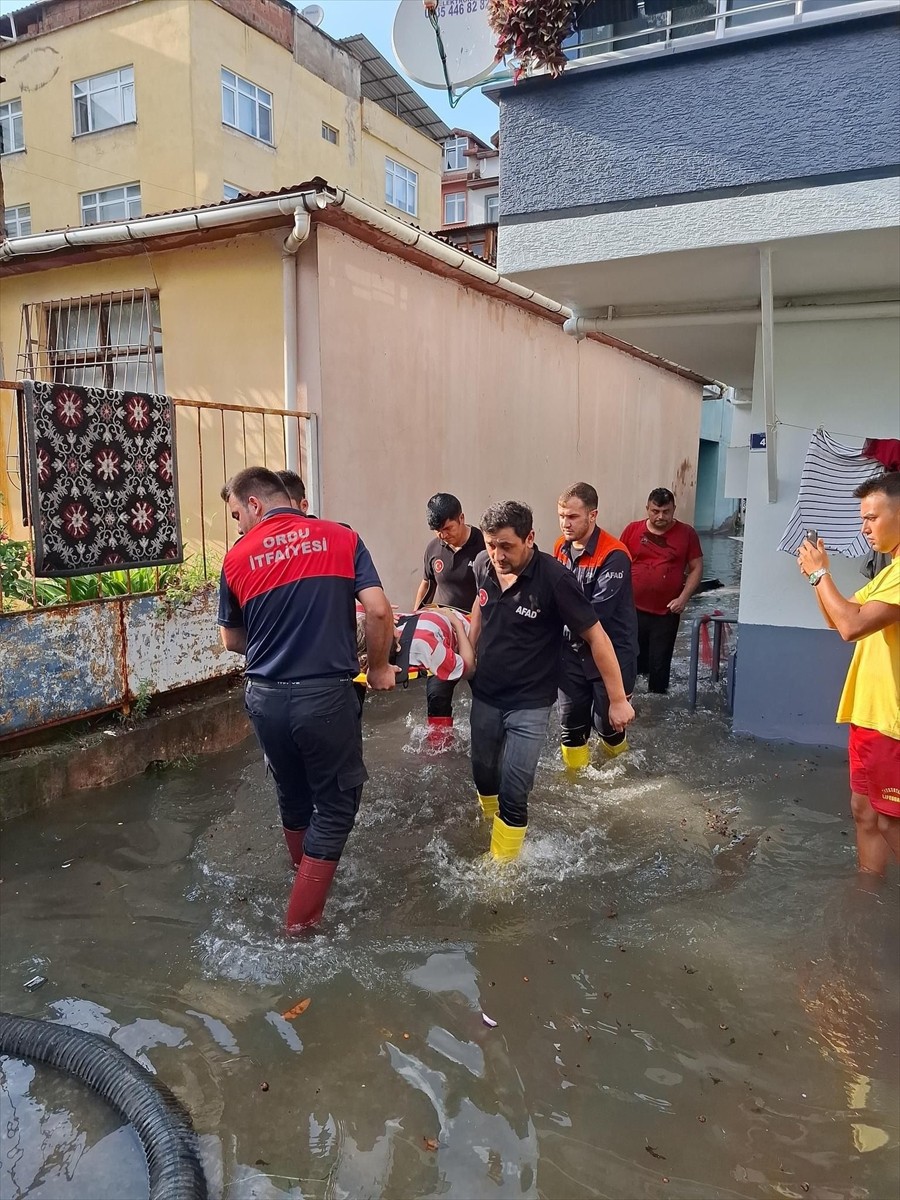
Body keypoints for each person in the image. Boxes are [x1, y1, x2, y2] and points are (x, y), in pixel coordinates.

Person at [217, 466, 396, 933]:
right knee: (337, 806)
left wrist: (279, 640)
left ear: (254, 504)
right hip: (325, 697)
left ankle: (304, 878)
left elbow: (232, 640)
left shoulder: (236, 558)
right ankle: (298, 925)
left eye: (237, 513)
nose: (238, 525)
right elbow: (378, 610)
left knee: (292, 796)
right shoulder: (341, 538)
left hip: (265, 698)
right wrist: (377, 668)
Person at [468, 501, 636, 862]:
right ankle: (488, 826)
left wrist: (618, 699)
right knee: (483, 774)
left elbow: (598, 637)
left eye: (507, 546)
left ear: (530, 538)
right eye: (490, 544)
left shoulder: (556, 580)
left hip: (530, 701)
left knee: (515, 787)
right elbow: (479, 610)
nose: (497, 555)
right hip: (485, 693)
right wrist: (465, 656)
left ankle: (501, 869)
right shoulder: (483, 565)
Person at [798, 471, 900, 873]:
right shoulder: (889, 572)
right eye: (863, 518)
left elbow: (851, 627)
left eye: (872, 518)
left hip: (890, 718)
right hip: (866, 713)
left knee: (891, 818)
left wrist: (822, 574)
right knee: (863, 810)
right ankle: (868, 888)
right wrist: (814, 578)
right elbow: (836, 617)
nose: (864, 528)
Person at [555, 482, 639, 768]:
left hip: (612, 653)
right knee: (570, 725)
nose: (566, 523)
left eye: (573, 517)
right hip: (571, 654)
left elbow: (595, 614)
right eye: (562, 516)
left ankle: (619, 772)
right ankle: (574, 781)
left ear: (593, 515)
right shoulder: (560, 548)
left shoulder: (615, 555)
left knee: (610, 724)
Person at [412, 493, 485, 748]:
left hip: (479, 631)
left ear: (462, 518)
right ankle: (439, 748)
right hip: (445, 634)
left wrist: (472, 639)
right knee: (437, 694)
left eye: (447, 529)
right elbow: (426, 584)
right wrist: (415, 619)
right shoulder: (434, 549)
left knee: (485, 692)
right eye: (437, 531)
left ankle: (487, 742)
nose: (442, 536)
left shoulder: (484, 547)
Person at [620, 487, 703, 694]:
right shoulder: (632, 530)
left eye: (666, 511)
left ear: (674, 509)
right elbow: (618, 564)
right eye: (655, 511)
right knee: (631, 663)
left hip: (666, 611)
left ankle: (656, 708)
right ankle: (632, 705)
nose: (661, 516)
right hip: (633, 609)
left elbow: (696, 568)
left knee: (659, 668)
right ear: (647, 508)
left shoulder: (687, 534)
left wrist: (683, 598)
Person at [356, 606, 476, 691]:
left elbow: (358, 610)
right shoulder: (425, 646)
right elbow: (469, 670)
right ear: (396, 634)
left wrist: (382, 611)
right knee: (438, 694)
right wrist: (457, 623)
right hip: (459, 624)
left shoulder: (365, 630)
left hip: (434, 616)